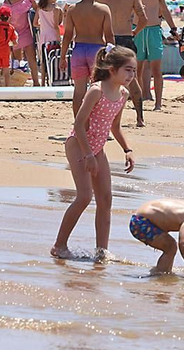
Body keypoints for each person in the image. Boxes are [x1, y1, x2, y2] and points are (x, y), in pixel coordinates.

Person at [52, 45, 135, 260]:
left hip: (97, 148)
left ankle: (101, 251)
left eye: (134, 70)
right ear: (111, 69)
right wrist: (88, 155)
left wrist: (127, 149)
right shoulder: (96, 90)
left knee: (106, 199)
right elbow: (79, 124)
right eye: (127, 69)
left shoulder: (123, 94)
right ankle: (59, 246)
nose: (131, 75)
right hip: (79, 145)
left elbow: (115, 127)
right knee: (84, 196)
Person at [100, 0, 147, 119]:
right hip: (126, 37)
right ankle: (140, 117)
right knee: (131, 79)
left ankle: (105, 115)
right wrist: (135, 31)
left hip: (107, 39)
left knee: (105, 79)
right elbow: (144, 19)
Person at [64, 0, 114, 115]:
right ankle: (96, 123)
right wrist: (112, 56)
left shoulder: (73, 9)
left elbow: (67, 35)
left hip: (78, 49)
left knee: (79, 91)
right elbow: (109, 35)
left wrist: (62, 56)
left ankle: (78, 126)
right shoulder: (103, 9)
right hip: (96, 50)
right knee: (98, 89)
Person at [135, 0, 174, 119]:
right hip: (137, 30)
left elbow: (164, 9)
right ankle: (138, 100)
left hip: (154, 30)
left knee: (157, 69)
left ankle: (158, 103)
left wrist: (173, 28)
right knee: (137, 68)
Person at [1, 0, 38, 87]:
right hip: (14, 32)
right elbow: (6, 20)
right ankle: (17, 83)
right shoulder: (7, 2)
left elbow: (37, 9)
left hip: (27, 29)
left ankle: (36, 82)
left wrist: (36, 22)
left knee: (31, 57)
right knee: (16, 60)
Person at [35, 0, 63, 86]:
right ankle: (52, 80)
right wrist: (59, 39)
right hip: (53, 35)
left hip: (43, 35)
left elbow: (34, 23)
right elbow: (56, 25)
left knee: (43, 61)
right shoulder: (56, 9)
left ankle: (42, 82)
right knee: (53, 58)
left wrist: (43, 25)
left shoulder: (40, 7)